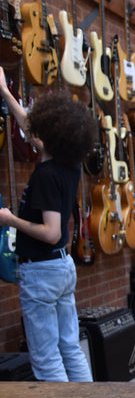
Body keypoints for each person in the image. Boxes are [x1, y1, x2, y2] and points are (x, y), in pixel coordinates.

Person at [0, 68, 99, 381]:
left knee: (46, 359)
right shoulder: (67, 165)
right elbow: (28, 128)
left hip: (42, 271)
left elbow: (51, 231)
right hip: (61, 268)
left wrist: (9, 219)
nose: (34, 133)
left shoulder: (46, 175)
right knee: (69, 347)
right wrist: (5, 92)